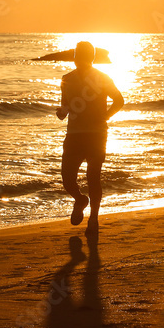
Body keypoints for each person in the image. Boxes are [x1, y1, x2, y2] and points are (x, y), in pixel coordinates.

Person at [56, 41, 124, 236]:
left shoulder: (103, 78)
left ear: (91, 58)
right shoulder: (66, 79)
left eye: (84, 56)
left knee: (93, 177)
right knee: (67, 179)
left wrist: (106, 116)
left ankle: (94, 219)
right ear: (75, 57)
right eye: (78, 56)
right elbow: (66, 107)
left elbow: (119, 100)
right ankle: (79, 200)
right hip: (74, 135)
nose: (80, 59)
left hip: (97, 134)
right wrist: (62, 113)